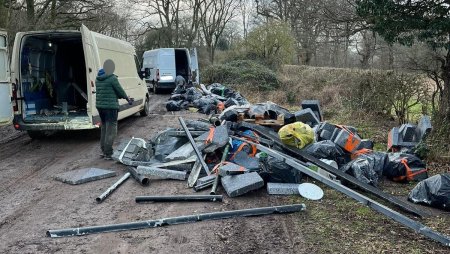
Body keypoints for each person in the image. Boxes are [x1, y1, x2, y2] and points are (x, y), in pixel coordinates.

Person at [96, 59, 133, 160]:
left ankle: (103, 150)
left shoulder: (98, 78)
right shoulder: (112, 78)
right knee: (111, 130)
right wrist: (127, 98)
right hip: (110, 107)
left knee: (104, 128)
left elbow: (108, 91)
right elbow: (119, 91)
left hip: (100, 107)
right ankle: (108, 153)